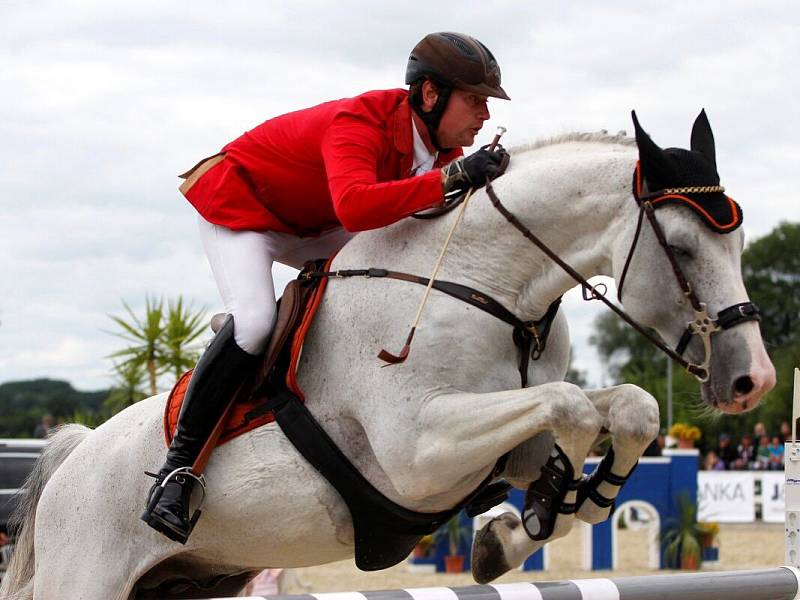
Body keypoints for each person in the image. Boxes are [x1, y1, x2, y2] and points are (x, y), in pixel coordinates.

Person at [141, 32, 511, 544]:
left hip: (315, 223)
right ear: (430, 95)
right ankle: (176, 473)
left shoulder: (444, 149)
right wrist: (451, 180)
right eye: (475, 100)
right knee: (253, 321)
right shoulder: (358, 121)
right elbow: (358, 207)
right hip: (246, 212)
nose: (484, 116)